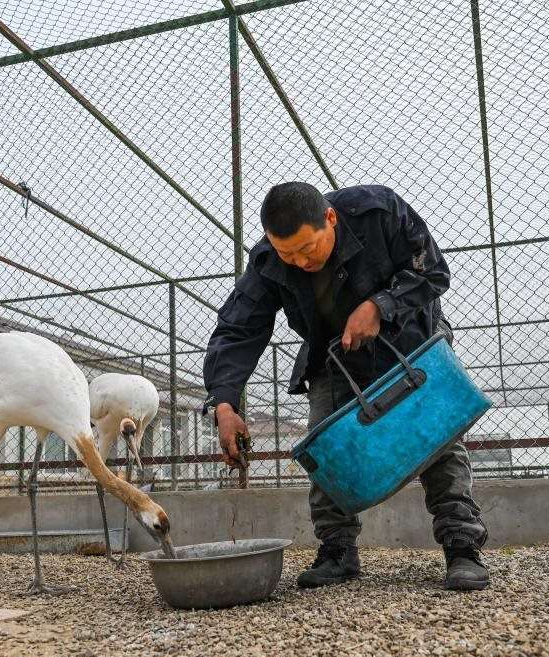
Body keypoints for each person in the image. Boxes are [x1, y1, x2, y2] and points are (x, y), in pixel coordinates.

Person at [202, 182, 489, 591]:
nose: (300, 262)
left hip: (409, 334)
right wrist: (225, 404)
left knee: (435, 436)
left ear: (331, 218)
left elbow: (432, 272)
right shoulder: (267, 260)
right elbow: (238, 328)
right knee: (326, 447)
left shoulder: (378, 212)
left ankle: (462, 544)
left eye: (308, 248)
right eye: (288, 255)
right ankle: (337, 550)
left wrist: (379, 306)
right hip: (335, 352)